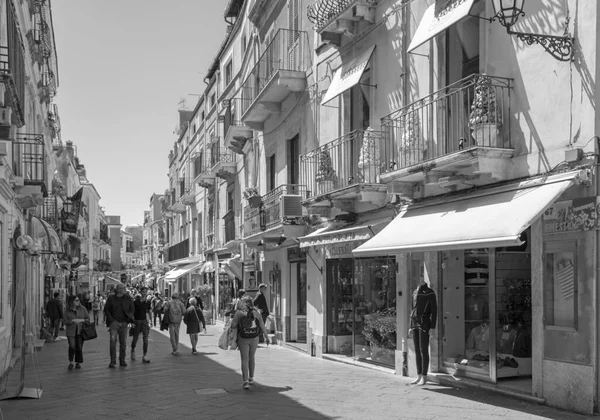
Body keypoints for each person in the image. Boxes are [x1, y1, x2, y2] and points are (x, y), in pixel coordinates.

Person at [230, 295, 269, 389]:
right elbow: (262, 325)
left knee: (244, 359)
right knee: (252, 358)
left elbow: (233, 325)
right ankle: (251, 378)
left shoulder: (239, 313)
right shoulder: (257, 312)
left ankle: (245, 381)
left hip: (243, 338)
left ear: (243, 303)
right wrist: (266, 336)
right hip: (254, 337)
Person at [409, 275, 437, 386]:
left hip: (424, 322)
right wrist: (410, 326)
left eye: (421, 278)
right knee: (416, 350)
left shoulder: (430, 292)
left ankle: (424, 376)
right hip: (415, 322)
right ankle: (419, 375)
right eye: (418, 278)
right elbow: (413, 310)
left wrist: (432, 327)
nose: (420, 280)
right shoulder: (415, 292)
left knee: (423, 350)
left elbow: (434, 311)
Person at [104, 284, 134, 368]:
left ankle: (122, 360)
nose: (124, 289)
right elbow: (106, 309)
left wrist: (128, 320)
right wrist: (111, 320)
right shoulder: (111, 298)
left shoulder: (128, 298)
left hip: (124, 323)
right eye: (123, 288)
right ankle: (112, 361)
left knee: (123, 343)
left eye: (124, 288)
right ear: (118, 289)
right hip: (114, 323)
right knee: (113, 342)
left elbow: (132, 309)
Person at [63, 295, 89, 370]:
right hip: (71, 331)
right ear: (72, 302)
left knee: (79, 347)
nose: (78, 301)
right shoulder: (67, 311)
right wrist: (72, 321)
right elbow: (64, 321)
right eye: (76, 300)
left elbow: (87, 318)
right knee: (72, 346)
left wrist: (82, 320)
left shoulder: (83, 309)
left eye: (78, 300)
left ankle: (78, 362)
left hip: (81, 331)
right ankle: (71, 362)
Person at [131, 287, 151, 363]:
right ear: (140, 292)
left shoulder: (147, 302)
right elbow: (132, 312)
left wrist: (151, 321)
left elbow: (148, 311)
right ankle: (133, 350)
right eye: (143, 291)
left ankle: (144, 356)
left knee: (145, 338)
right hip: (137, 321)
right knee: (135, 338)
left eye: (146, 291)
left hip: (144, 321)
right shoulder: (136, 302)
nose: (145, 293)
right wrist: (132, 321)